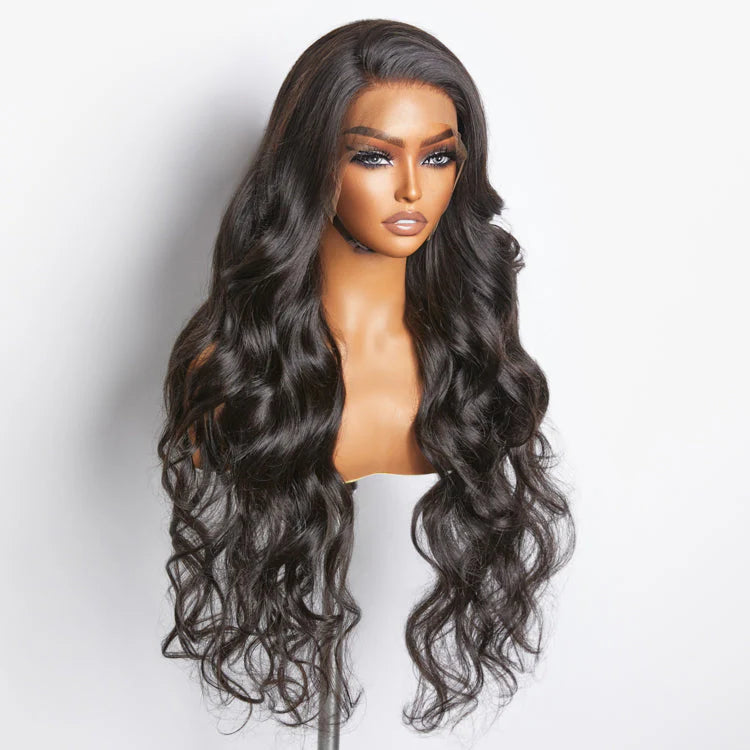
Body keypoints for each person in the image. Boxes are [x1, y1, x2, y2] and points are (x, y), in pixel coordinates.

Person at [157, 17, 576, 739]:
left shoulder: (472, 364)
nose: (412, 189)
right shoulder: (232, 373)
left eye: (439, 157)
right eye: (375, 157)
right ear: (312, 164)